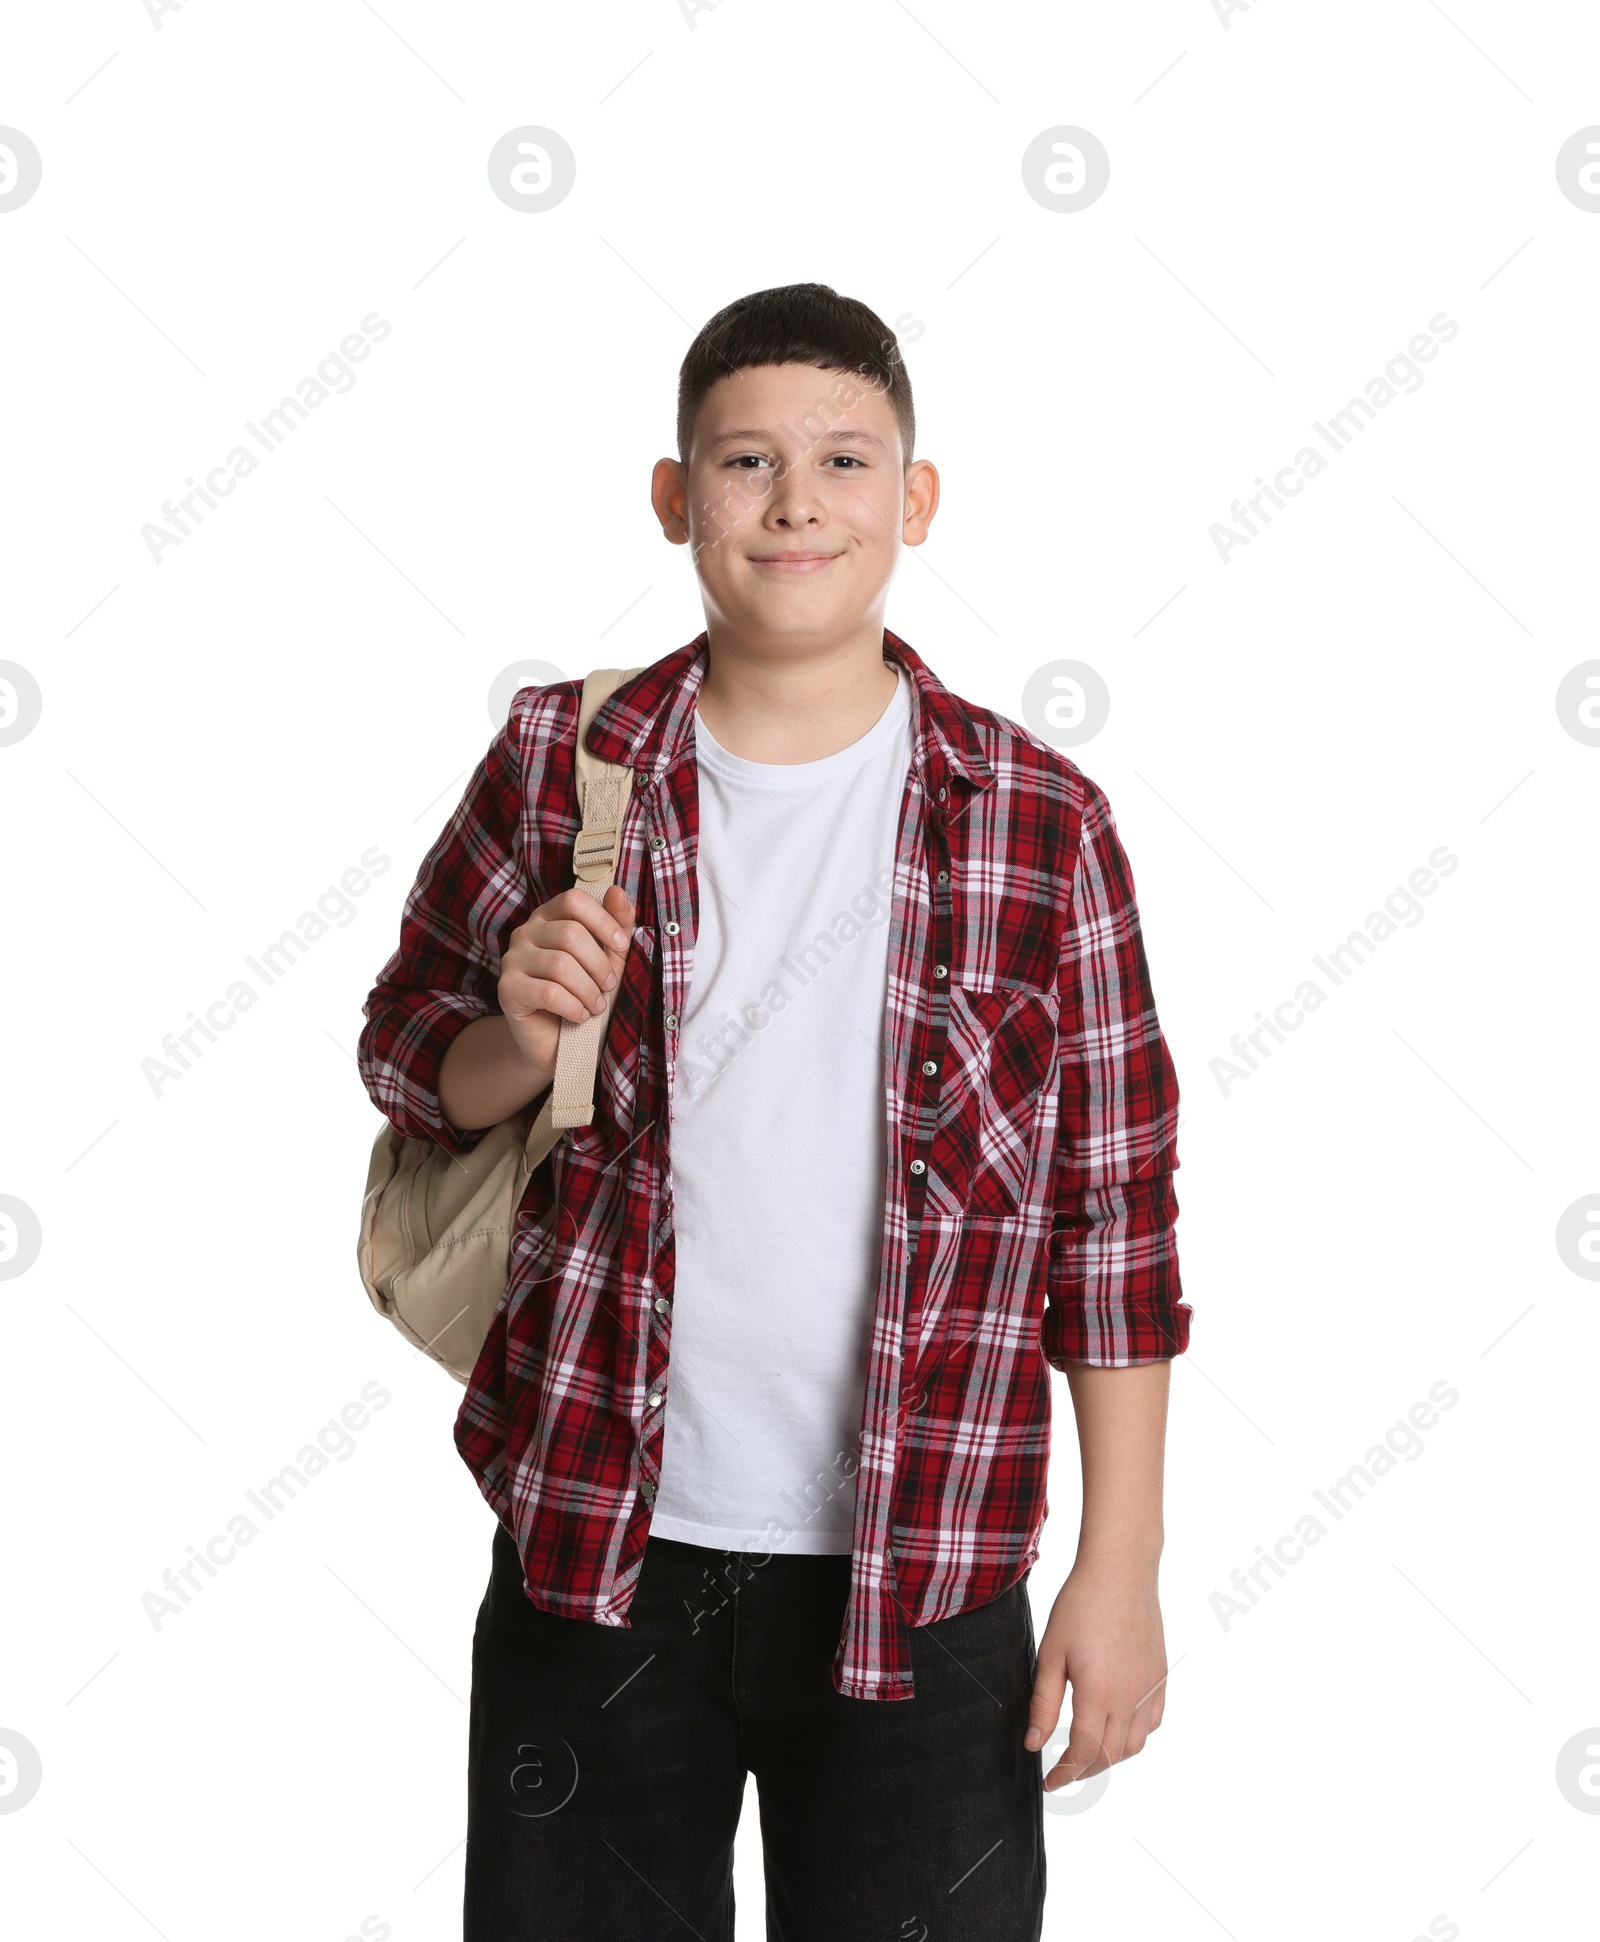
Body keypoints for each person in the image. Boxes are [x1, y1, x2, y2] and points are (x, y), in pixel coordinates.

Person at [358, 282, 1190, 1941]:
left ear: (916, 500)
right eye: (744, 461)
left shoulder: (1037, 815)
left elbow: (1116, 1216)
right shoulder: (560, 760)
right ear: (675, 500)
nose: (796, 502)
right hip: (595, 1543)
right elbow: (408, 1060)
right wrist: (514, 1036)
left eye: (844, 460)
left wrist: (1121, 1567)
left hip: (929, 1571)